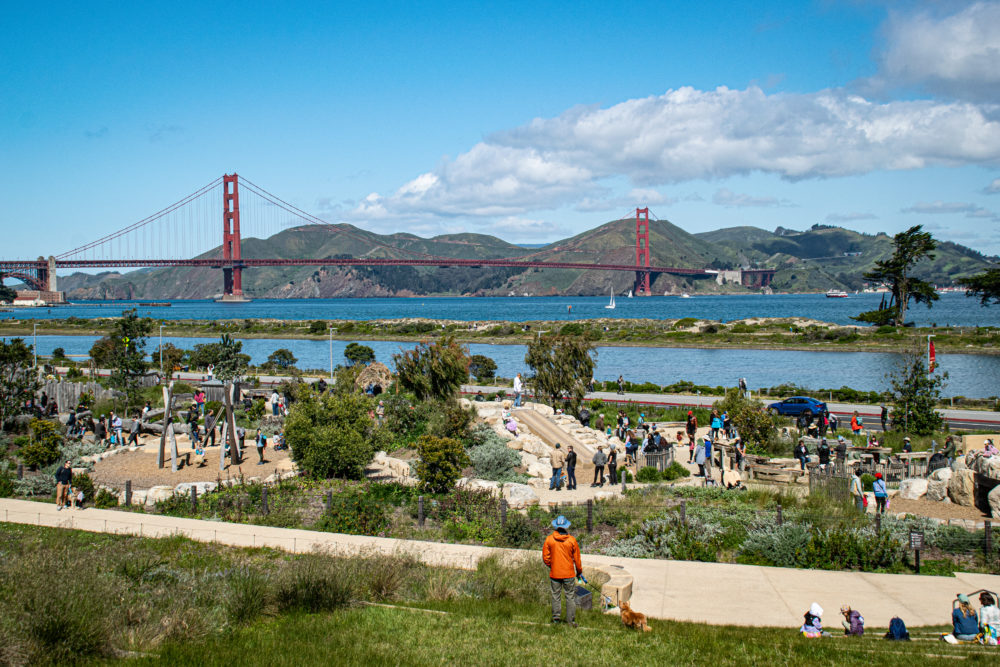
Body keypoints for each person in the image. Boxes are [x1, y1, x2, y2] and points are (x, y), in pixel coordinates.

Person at [542, 515, 582, 627]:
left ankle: (556, 619)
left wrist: (553, 565)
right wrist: (579, 572)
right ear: (566, 527)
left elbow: (545, 557)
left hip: (555, 573)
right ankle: (570, 621)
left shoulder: (549, 539)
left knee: (556, 596)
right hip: (569, 573)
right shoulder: (572, 540)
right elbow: (577, 560)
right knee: (570, 597)